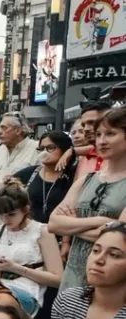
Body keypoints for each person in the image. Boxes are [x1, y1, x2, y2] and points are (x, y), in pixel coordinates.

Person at [51, 106, 126, 290]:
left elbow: (118, 239)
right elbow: (53, 224)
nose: (101, 140)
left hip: (110, 280)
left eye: (110, 134)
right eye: (99, 134)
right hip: (73, 275)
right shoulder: (87, 179)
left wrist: (71, 225)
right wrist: (101, 221)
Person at [0, 181, 64, 315]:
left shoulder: (41, 232)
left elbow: (58, 279)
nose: (5, 220)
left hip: (25, 290)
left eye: (11, 214)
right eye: (0, 214)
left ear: (26, 210)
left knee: (1, 302)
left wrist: (16, 268)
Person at [12, 131, 75, 224]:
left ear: (64, 150)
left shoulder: (73, 175)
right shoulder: (29, 173)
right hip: (30, 233)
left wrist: (72, 151)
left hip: (59, 233)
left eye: (50, 148)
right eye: (41, 149)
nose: (44, 152)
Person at [0, 113, 38, 200]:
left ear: (18, 130)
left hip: (23, 211)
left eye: (4, 128)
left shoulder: (36, 149)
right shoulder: (1, 150)